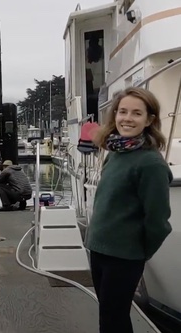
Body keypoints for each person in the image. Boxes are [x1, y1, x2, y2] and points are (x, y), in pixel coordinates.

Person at [87, 87, 172, 333]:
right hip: (99, 249)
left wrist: (139, 252)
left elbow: (158, 221)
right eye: (122, 111)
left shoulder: (150, 163)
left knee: (114, 319)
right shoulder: (115, 153)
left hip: (125, 256)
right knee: (109, 314)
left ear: (149, 120)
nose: (127, 118)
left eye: (136, 113)